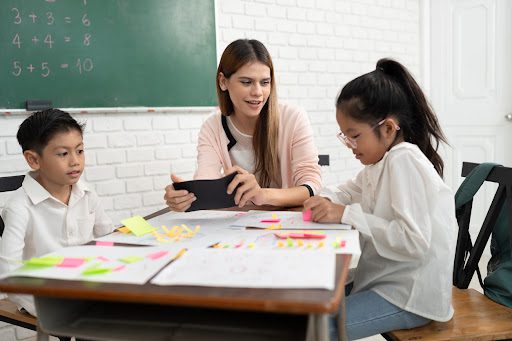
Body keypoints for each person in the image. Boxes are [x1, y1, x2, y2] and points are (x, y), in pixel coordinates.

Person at [303, 59, 458, 340]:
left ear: (388, 129)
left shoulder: (404, 161)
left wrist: (345, 214)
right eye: (345, 137)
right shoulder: (380, 163)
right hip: (385, 281)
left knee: (317, 328)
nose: (351, 146)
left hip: (410, 296)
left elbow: (413, 242)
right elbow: (348, 191)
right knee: (309, 304)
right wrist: (323, 198)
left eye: (354, 136)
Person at [165, 39, 322, 211]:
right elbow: (207, 180)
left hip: (286, 220)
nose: (258, 92)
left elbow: (311, 186)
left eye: (265, 82)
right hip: (238, 223)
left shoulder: (293, 118)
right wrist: (188, 196)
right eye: (246, 82)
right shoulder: (212, 127)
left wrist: (262, 195)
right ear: (223, 82)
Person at [0, 108, 114, 316]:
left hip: (86, 286)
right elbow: (9, 274)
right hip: (43, 296)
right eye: (63, 154)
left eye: (79, 151)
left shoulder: (87, 193)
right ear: (34, 160)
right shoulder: (19, 207)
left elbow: (108, 239)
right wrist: (53, 312)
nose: (75, 161)